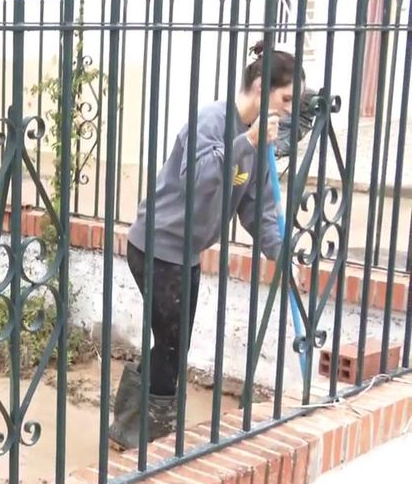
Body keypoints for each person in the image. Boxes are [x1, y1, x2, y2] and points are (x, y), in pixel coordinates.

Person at [109, 41, 304, 450]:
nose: (289, 109)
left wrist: (279, 250)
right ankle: (146, 435)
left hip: (188, 254)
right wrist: (247, 143)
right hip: (156, 246)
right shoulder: (213, 120)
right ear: (258, 87)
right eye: (286, 98)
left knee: (172, 341)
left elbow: (259, 207)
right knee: (173, 342)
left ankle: (129, 423)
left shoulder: (260, 142)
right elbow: (195, 174)